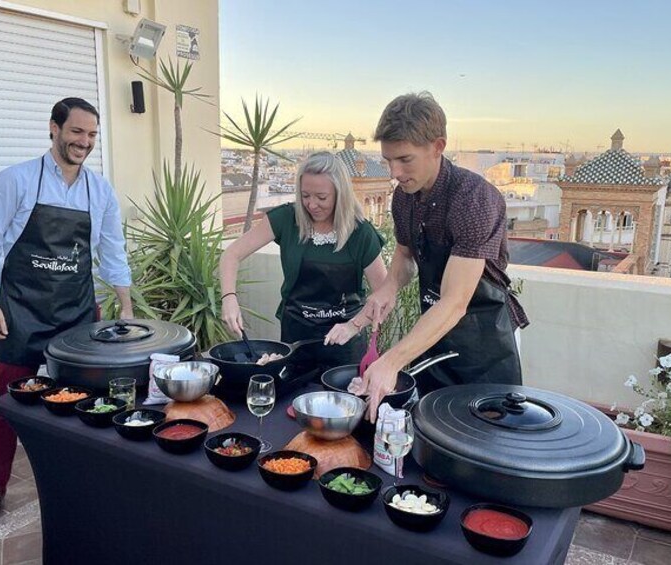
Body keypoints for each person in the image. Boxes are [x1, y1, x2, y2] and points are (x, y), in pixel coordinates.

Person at [0, 97, 133, 530]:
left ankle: (80, 483)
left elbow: (112, 252)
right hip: (19, 310)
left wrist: (127, 308)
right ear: (54, 129)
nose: (85, 142)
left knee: (84, 403)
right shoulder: (15, 180)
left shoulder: (100, 190)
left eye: (92, 135)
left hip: (77, 311)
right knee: (5, 403)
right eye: (77, 132)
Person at [356, 92, 528, 421]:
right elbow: (406, 256)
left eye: (405, 159)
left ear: (438, 146)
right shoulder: (404, 198)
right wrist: (389, 287)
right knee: (433, 427)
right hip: (432, 333)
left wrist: (391, 361)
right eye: (388, 160)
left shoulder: (473, 199)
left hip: (484, 337)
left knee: (487, 437)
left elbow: (455, 302)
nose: (395, 172)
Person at [219, 151, 386, 369]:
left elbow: (384, 294)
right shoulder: (286, 219)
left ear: (340, 194)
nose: (312, 204)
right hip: (296, 338)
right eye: (305, 195)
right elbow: (231, 254)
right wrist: (229, 298)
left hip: (346, 344)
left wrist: (354, 325)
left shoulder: (361, 233)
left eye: (321, 197)